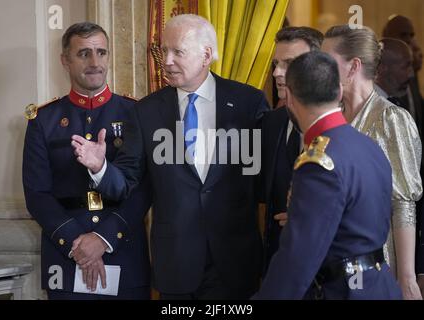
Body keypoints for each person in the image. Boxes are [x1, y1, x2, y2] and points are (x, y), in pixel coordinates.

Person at [71, 14, 269, 299]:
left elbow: (263, 175)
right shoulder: (147, 111)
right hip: (176, 265)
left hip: (235, 263)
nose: (167, 60)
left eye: (178, 51)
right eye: (164, 50)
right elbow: (127, 181)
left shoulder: (248, 103)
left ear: (206, 54)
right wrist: (101, 166)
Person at [254, 51, 402, 300]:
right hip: (379, 286)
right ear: (339, 92)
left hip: (342, 291)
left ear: (289, 97)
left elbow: (296, 261)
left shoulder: (319, 162)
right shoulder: (367, 145)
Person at [22, 22, 151, 300]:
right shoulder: (44, 120)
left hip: (124, 251)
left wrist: (103, 238)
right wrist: (77, 243)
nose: (95, 62)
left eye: (101, 52)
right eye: (83, 54)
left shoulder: (136, 113)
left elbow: (144, 188)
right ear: (65, 60)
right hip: (67, 256)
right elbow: (37, 195)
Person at [322, 25, 422, 300]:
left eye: (327, 61)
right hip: (328, 268)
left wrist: (407, 278)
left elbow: (403, 203)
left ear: (353, 67)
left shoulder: (391, 119)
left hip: (377, 264)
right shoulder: (328, 117)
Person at [261, 26, 323, 274]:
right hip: (277, 267)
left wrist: (312, 216)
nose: (277, 72)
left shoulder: (346, 127)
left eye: (289, 63)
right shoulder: (270, 123)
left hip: (325, 269)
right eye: (276, 63)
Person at [375, 38, 414, 104]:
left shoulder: (394, 101)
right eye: (405, 67)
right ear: (381, 67)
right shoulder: (368, 105)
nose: (411, 74)